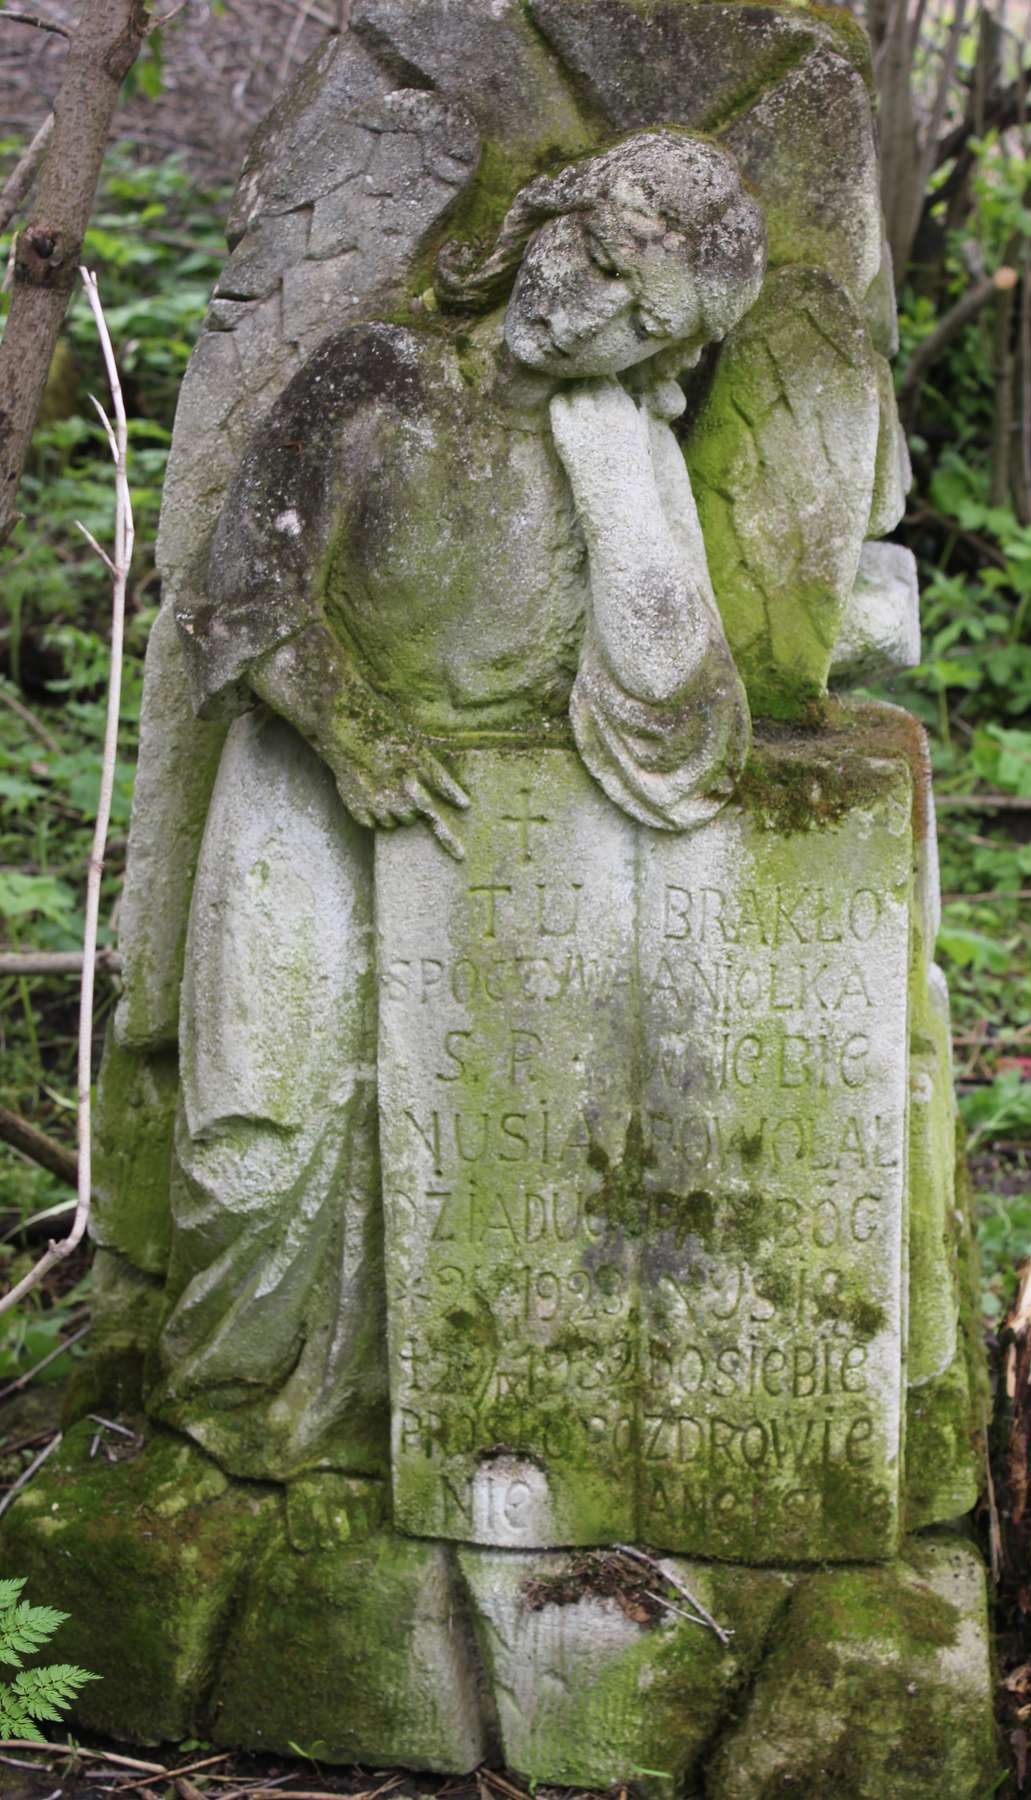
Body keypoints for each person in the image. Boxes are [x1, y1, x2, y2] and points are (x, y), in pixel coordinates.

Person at [150, 130, 768, 1481]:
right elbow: (239, 597)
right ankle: (228, 1430)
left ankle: (406, 1444)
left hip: (504, 835)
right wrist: (352, 730)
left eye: (637, 315)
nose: (584, 304)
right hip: (309, 773)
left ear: (664, 357)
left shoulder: (617, 455)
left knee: (454, 1157)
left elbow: (679, 736)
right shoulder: (376, 371)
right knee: (253, 1145)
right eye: (591, 254)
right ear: (544, 216)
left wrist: (617, 477)